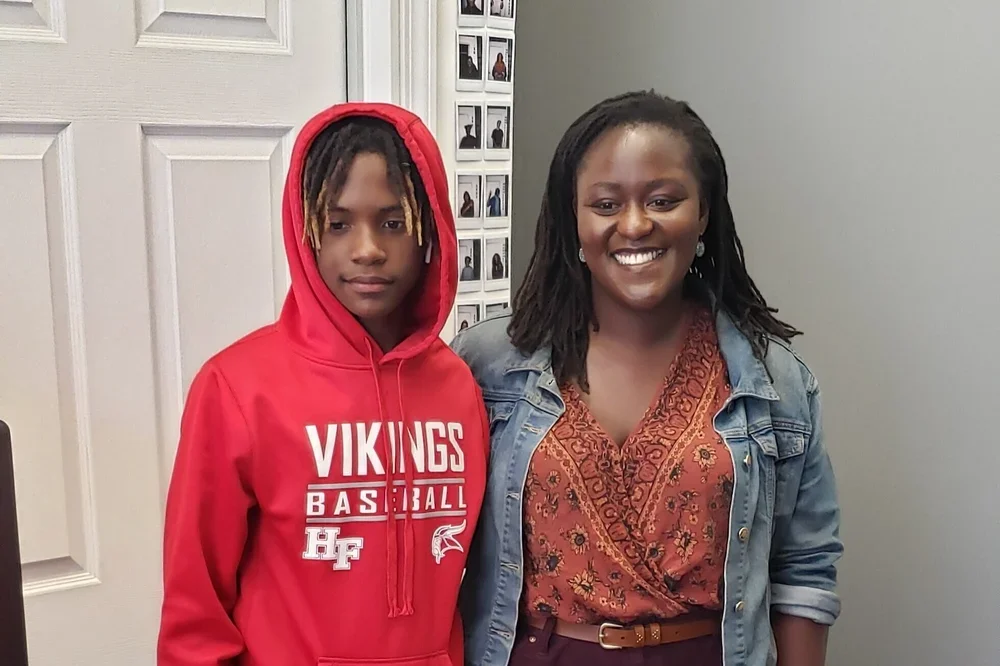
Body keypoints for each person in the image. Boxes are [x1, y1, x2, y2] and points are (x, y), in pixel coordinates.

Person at [452, 90, 843, 666]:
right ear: (573, 220)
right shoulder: (488, 366)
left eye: (663, 200)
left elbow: (804, 570)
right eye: (606, 205)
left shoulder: (774, 382)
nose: (635, 225)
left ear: (704, 212)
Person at [157, 103, 489, 666]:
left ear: (429, 229)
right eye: (338, 224)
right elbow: (195, 607)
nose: (367, 249)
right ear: (305, 231)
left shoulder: (458, 385)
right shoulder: (236, 387)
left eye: (392, 222)